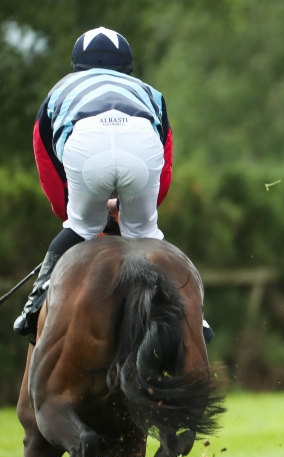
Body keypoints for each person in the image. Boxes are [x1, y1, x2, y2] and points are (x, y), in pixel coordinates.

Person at [14, 28, 211, 342]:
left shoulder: (61, 89)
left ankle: (35, 303)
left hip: (85, 144)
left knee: (78, 227)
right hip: (141, 142)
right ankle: (195, 319)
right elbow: (164, 166)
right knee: (146, 236)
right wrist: (129, 210)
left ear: (77, 66)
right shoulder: (148, 92)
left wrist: (71, 214)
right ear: (127, 67)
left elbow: (47, 164)